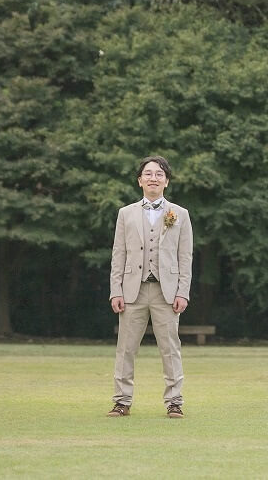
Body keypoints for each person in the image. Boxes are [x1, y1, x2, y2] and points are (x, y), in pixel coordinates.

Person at [106, 155, 194, 418]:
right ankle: (122, 401)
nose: (153, 178)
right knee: (126, 348)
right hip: (133, 290)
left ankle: (174, 402)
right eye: (148, 174)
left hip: (166, 292)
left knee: (170, 348)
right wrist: (116, 290)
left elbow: (185, 256)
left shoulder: (180, 214)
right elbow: (118, 254)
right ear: (139, 180)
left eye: (158, 174)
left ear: (166, 181)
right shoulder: (126, 214)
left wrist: (183, 291)